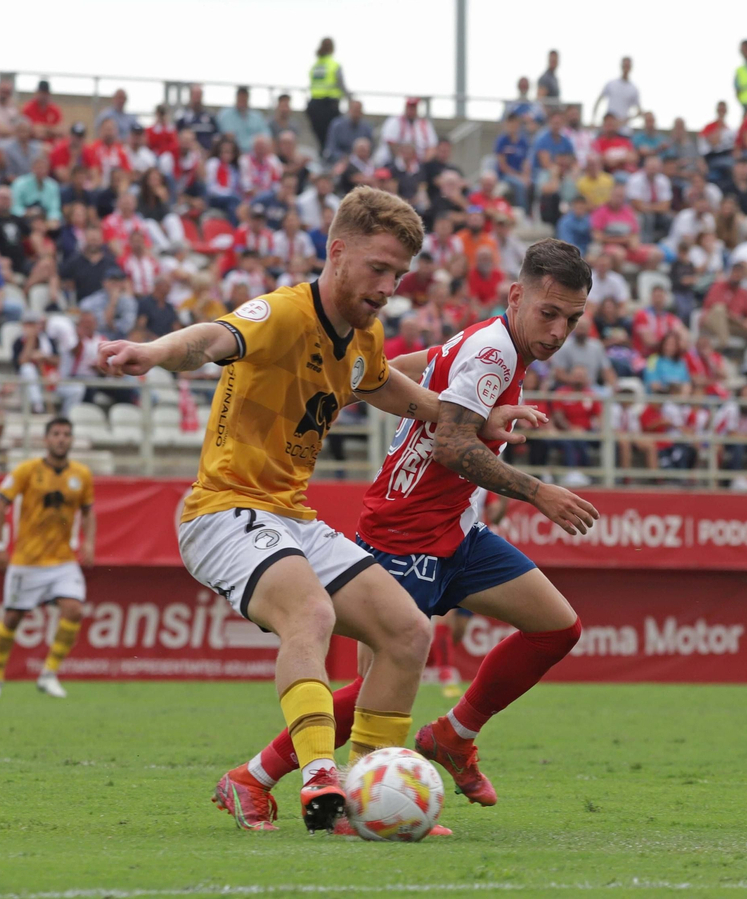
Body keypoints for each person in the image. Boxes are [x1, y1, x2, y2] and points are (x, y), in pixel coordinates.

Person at [95, 186, 544, 833]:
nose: (388, 285)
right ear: (337, 253)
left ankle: (369, 800)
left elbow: (387, 384)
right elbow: (213, 338)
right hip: (223, 510)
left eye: (397, 274)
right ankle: (317, 777)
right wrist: (152, 353)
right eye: (378, 268)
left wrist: (475, 415)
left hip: (289, 516)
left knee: (407, 632)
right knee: (312, 611)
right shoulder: (281, 314)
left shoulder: (362, 333)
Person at [212, 239, 600, 834]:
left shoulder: (485, 344)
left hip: (457, 531)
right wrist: (538, 491)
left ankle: (453, 736)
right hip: (404, 530)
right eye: (548, 313)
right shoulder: (495, 354)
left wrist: (356, 379)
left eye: (571, 319)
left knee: (556, 627)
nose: (558, 331)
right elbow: (451, 443)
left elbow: (407, 368)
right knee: (378, 684)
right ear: (517, 297)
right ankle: (253, 778)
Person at [0, 418, 96, 700]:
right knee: (12, 617)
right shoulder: (27, 470)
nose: (61, 439)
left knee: (74, 609)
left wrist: (89, 542)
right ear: (46, 440)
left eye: (66, 434)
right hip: (27, 561)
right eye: (56, 434)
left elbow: (89, 510)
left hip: (62, 560)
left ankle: (49, 674)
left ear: (71, 440)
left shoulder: (81, 474)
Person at [306, 37, 348, 148]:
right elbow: (341, 85)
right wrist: (350, 98)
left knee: (322, 141)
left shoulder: (315, 66)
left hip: (314, 106)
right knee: (331, 140)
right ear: (332, 49)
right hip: (329, 106)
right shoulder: (334, 65)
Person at [591, 56, 641, 125]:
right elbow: (599, 101)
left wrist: (624, 121)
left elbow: (639, 111)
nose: (626, 68)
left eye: (628, 66)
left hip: (624, 130)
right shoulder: (611, 84)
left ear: (631, 68)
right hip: (608, 127)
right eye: (624, 65)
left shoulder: (634, 89)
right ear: (621, 66)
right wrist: (593, 120)